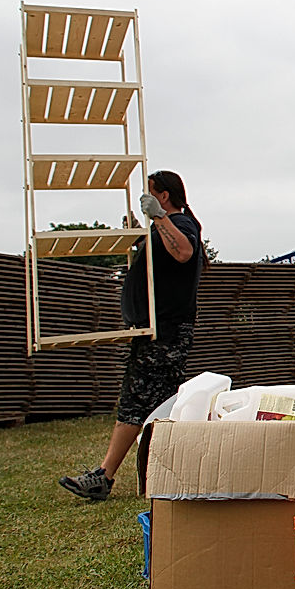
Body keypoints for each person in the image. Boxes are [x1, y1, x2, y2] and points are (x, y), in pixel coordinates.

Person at [59, 171, 206, 501]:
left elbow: (183, 252)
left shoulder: (180, 224)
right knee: (153, 405)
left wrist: (158, 217)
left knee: (141, 403)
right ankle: (127, 476)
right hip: (157, 331)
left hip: (166, 332)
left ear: (164, 196)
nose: (145, 198)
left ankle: (105, 477)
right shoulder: (164, 226)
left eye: (150, 193)